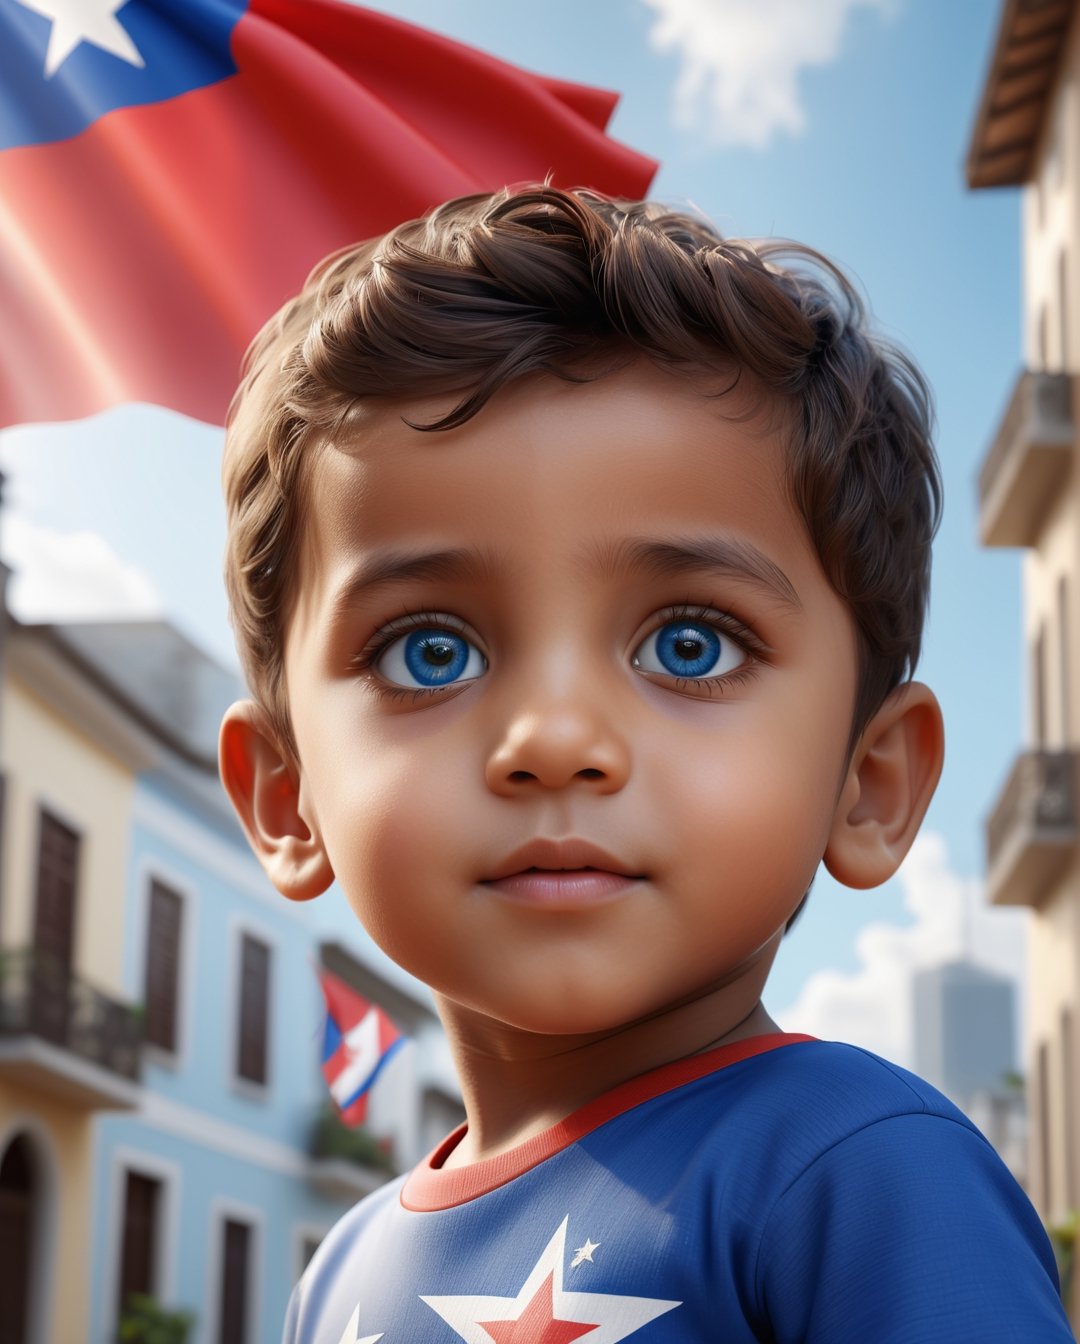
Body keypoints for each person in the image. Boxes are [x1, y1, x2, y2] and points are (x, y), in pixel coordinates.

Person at [218, 185, 1074, 1342]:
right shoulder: (340, 1276)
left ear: (869, 781)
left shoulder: (858, 1176)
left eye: (689, 643)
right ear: (287, 796)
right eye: (431, 652)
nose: (554, 740)